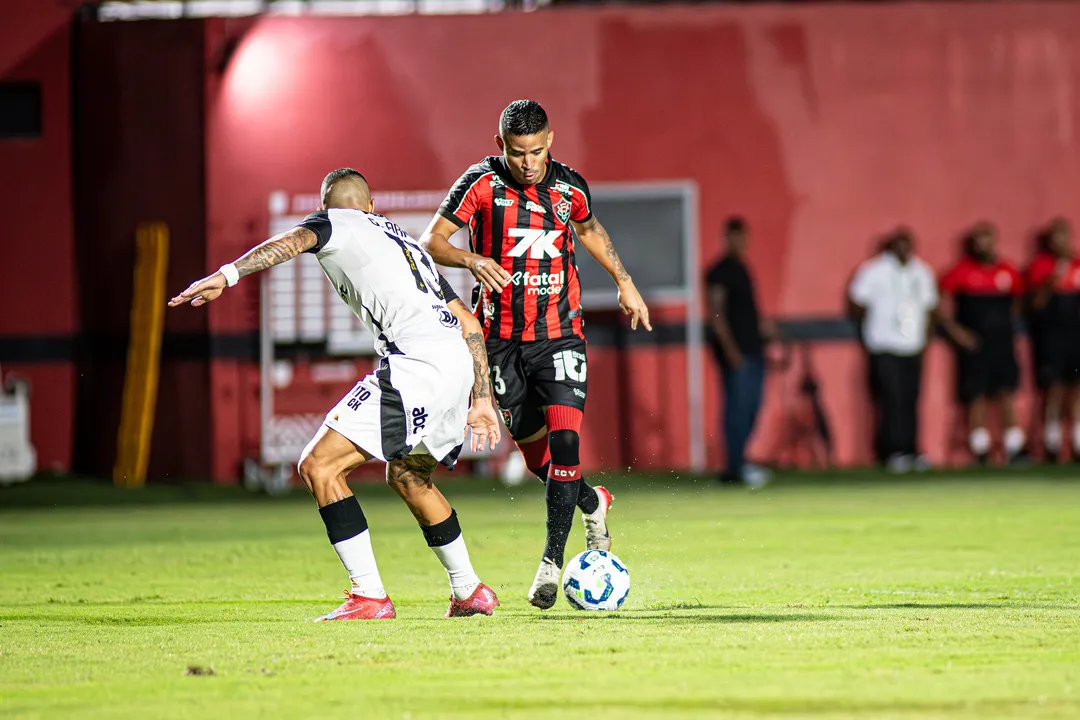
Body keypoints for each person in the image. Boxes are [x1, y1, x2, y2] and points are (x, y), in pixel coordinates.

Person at [169, 169, 502, 620]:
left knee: (318, 465)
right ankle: (470, 590)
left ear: (330, 206)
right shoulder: (407, 245)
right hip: (456, 366)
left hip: (416, 364)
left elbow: (288, 242)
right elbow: (469, 323)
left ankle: (369, 596)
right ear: (371, 204)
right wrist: (481, 398)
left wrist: (226, 276)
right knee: (410, 477)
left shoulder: (336, 222)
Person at [420, 99, 652, 609]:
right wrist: (471, 258)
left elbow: (588, 229)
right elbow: (430, 241)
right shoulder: (480, 185)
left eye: (538, 151)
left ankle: (550, 562)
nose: (530, 163)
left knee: (566, 443)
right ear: (500, 144)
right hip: (498, 342)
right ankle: (593, 501)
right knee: (536, 458)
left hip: (560, 333)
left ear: (552, 140)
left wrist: (624, 281)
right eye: (520, 153)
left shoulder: (569, 187)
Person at [848, 229, 938, 473]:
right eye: (899, 244)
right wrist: (876, 322)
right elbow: (856, 301)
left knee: (911, 398)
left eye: (908, 244)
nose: (904, 250)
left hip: (913, 346)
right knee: (890, 398)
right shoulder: (874, 270)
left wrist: (925, 340)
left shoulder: (921, 271)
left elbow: (931, 307)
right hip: (884, 345)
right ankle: (891, 451)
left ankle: (910, 449)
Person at [938, 224, 1027, 465]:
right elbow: (940, 309)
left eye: (986, 239)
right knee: (975, 394)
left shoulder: (1007, 271)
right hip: (975, 345)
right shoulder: (959, 273)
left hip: (1003, 343)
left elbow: (1018, 304)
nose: (982, 245)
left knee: (1006, 391)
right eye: (978, 240)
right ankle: (980, 448)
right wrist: (959, 334)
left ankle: (1015, 446)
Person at [705, 216, 774, 486]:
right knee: (737, 408)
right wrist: (731, 351)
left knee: (752, 407)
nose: (740, 242)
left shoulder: (743, 269)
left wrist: (766, 330)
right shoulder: (719, 272)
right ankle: (733, 469)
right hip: (738, 353)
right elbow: (717, 314)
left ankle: (740, 462)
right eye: (735, 237)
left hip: (754, 349)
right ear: (727, 238)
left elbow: (748, 312)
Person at [1025, 218, 1080, 462]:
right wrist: (1053, 279)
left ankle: (1077, 444)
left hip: (1076, 336)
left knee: (1077, 390)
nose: (1061, 242)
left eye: (1064, 236)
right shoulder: (1040, 266)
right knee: (1054, 390)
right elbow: (1035, 305)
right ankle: (1052, 445)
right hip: (1052, 338)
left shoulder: (1078, 263)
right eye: (1055, 237)